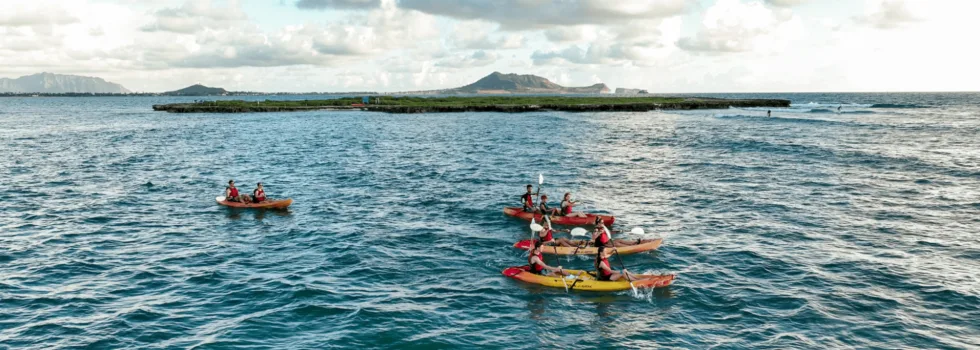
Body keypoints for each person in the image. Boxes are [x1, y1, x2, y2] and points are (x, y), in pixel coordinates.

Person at [591, 217, 657, 247]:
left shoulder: (602, 227)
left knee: (619, 240)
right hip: (602, 245)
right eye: (601, 222)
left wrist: (617, 231)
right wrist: (600, 232)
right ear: (598, 223)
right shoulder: (596, 229)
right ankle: (631, 247)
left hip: (607, 242)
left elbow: (609, 232)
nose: (603, 223)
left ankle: (635, 242)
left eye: (603, 222)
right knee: (617, 244)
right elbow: (593, 237)